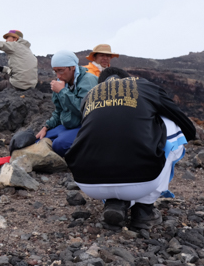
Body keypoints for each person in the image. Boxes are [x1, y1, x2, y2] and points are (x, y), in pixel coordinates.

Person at [65, 67, 196, 229]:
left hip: (87, 182)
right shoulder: (143, 85)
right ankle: (143, 210)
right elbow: (187, 126)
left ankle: (116, 203)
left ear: (102, 84)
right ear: (127, 78)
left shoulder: (90, 95)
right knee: (168, 121)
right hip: (143, 179)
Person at [35, 50, 98, 156]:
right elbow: (59, 111)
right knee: (38, 141)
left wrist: (62, 91)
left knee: (59, 145)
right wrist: (46, 127)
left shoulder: (88, 80)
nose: (58, 76)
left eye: (61, 70)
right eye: (55, 71)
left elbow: (86, 110)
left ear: (72, 67)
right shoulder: (64, 82)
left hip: (85, 126)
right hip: (68, 125)